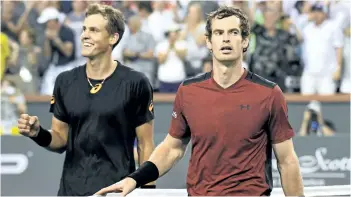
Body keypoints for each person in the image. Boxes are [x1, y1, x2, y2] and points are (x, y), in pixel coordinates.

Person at [96, 6, 304, 197]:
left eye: (233, 33)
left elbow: (287, 161)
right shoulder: (188, 91)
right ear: (208, 41)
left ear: (245, 41)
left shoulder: (269, 93)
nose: (226, 39)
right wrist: (135, 178)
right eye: (218, 33)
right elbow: (172, 148)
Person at [17, 3, 155, 196]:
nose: (84, 35)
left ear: (113, 38)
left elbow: (145, 144)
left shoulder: (136, 82)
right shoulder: (64, 81)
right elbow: (60, 139)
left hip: (116, 192)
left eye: (93, 30)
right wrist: (38, 133)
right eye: (84, 29)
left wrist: (148, 192)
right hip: (71, 191)